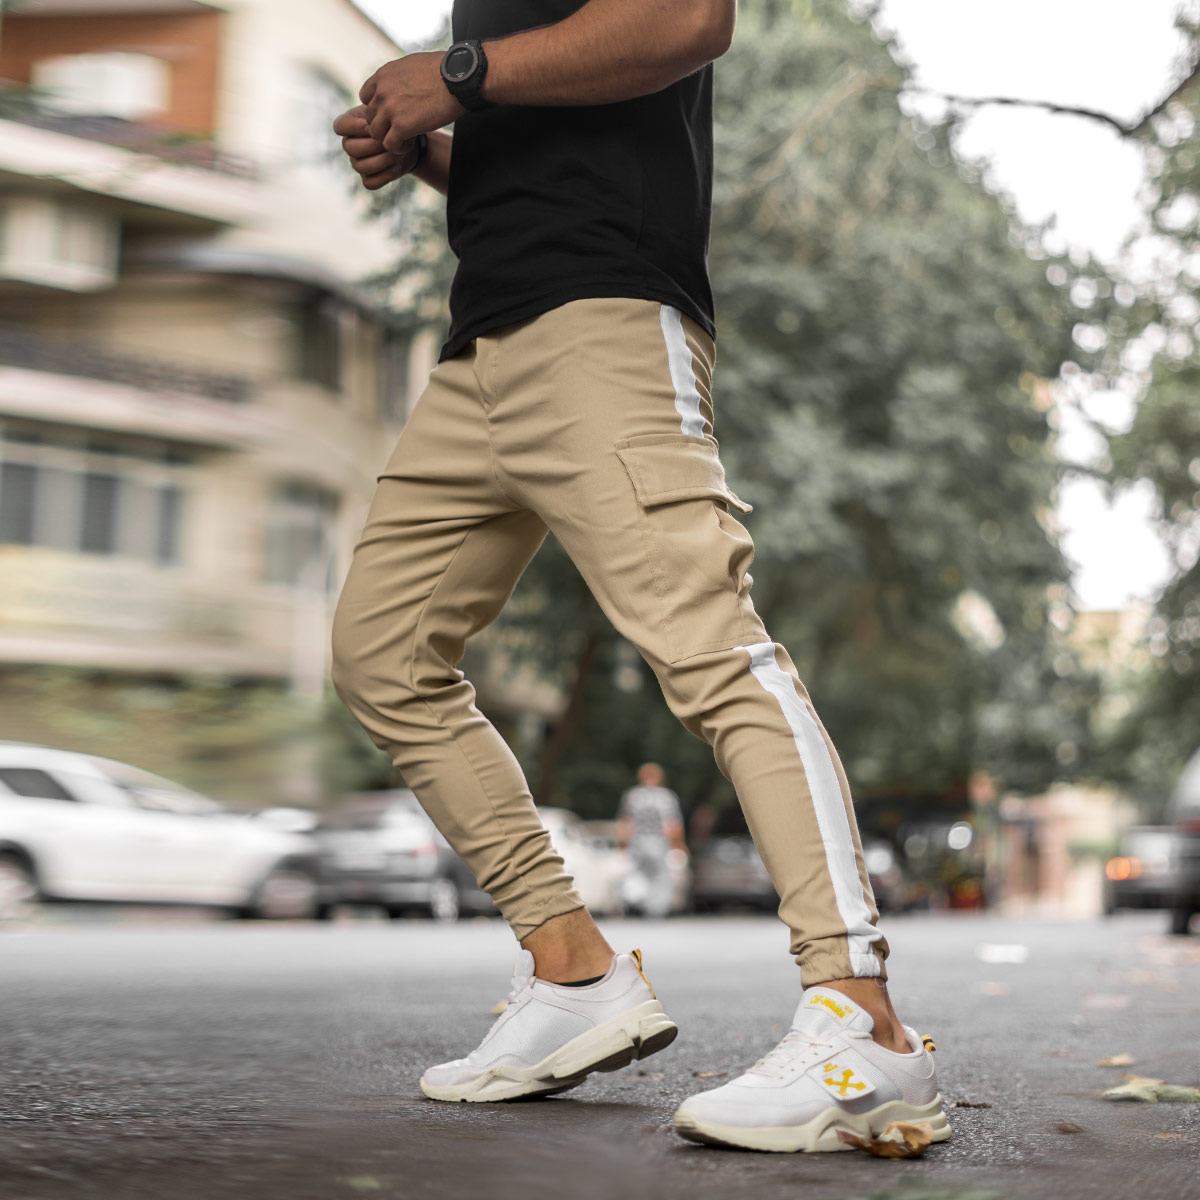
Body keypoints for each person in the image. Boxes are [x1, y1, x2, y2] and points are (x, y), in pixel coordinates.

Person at [329, 0, 950, 1152]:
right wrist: (435, 154)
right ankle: (573, 971)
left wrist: (455, 73)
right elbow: (558, 144)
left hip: (602, 323)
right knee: (383, 657)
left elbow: (686, 18)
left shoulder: (488, 49)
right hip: (479, 350)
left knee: (713, 650)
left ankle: (866, 1024)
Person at [616, 763, 685, 919]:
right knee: (660, 876)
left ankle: (634, 899)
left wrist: (622, 843)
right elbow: (672, 824)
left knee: (636, 872)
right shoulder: (666, 796)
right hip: (659, 842)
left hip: (638, 842)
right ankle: (656, 909)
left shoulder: (633, 795)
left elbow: (626, 822)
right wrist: (678, 844)